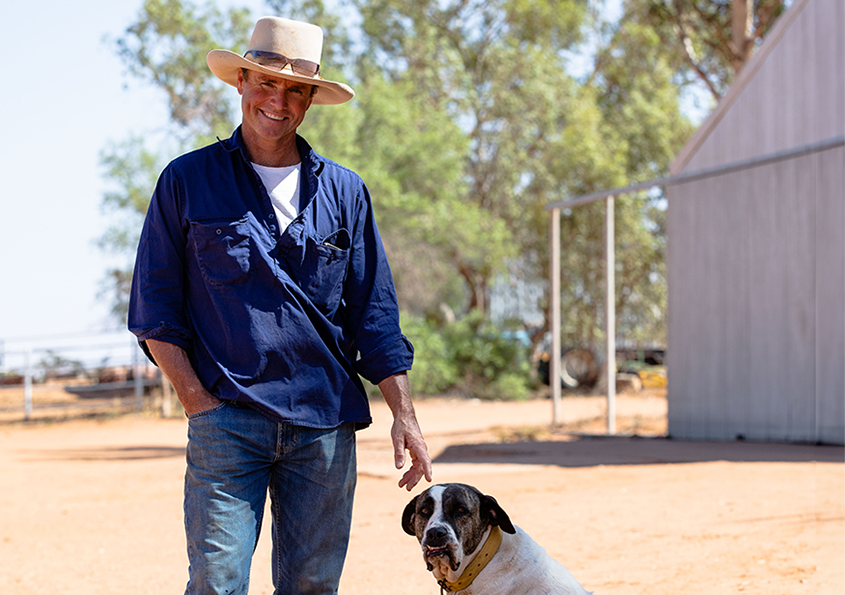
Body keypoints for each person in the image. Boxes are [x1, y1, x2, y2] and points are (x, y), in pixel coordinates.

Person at [128, 16, 433, 595]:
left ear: (312, 99)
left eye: (296, 89)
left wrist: (406, 417)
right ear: (240, 82)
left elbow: (375, 313)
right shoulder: (186, 181)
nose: (279, 100)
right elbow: (154, 307)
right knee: (216, 585)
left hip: (324, 426)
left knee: (313, 589)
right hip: (227, 421)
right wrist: (198, 402)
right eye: (266, 82)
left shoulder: (344, 192)